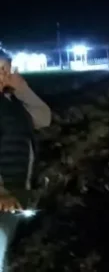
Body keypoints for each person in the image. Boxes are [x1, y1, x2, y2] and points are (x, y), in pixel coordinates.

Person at [0, 49, 51, 213]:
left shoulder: (12, 101)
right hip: (4, 197)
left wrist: (22, 89)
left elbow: (43, 118)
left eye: (8, 69)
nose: (6, 74)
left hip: (18, 190)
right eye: (0, 69)